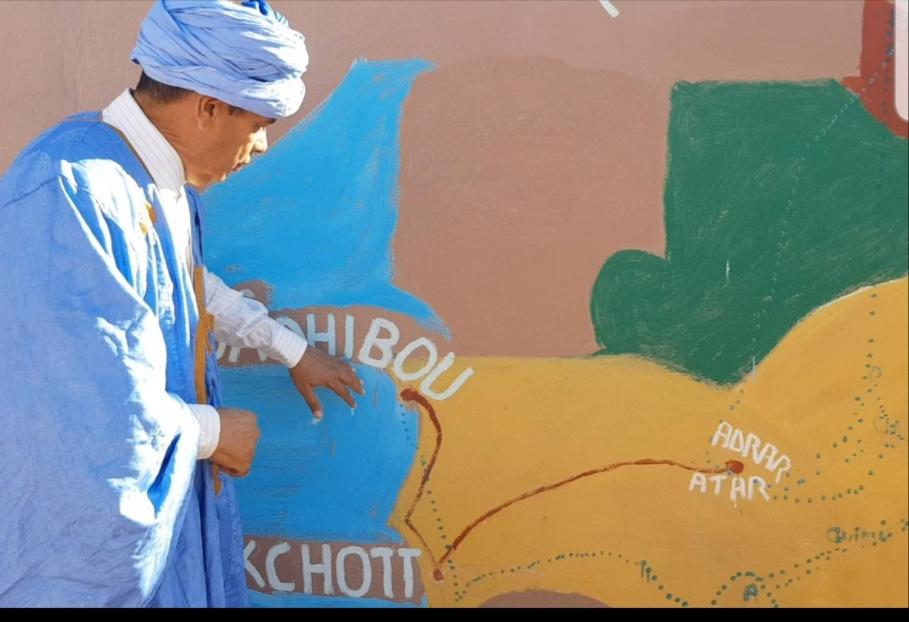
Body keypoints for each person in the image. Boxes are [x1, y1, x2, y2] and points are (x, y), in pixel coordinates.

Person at [0, 0, 363, 607]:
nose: (263, 147)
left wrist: (288, 349)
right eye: (259, 125)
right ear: (208, 108)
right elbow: (74, 413)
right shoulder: (67, 187)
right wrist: (209, 431)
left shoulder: (155, 185)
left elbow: (187, 287)